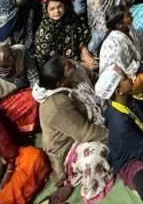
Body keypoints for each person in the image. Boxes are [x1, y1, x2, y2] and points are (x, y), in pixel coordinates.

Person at [33, 56, 108, 203]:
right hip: (68, 146)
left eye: (67, 61)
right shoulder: (55, 104)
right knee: (95, 155)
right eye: (68, 67)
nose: (73, 64)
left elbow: (94, 79)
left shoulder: (75, 69)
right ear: (60, 83)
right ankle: (69, 177)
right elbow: (84, 132)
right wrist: (114, 134)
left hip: (88, 124)